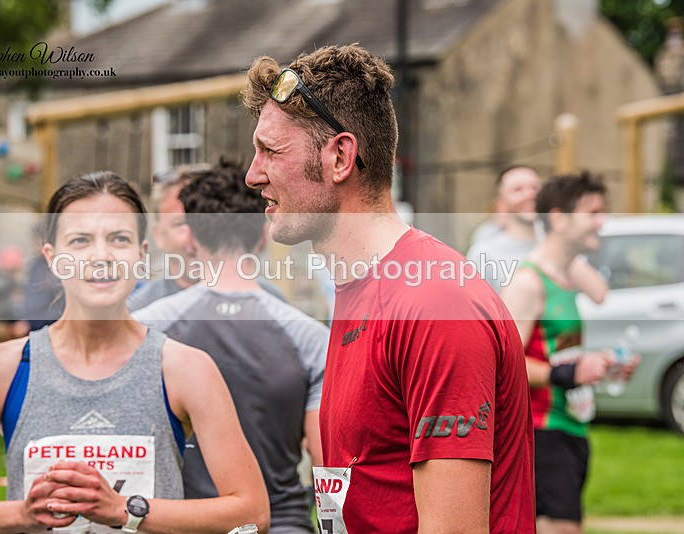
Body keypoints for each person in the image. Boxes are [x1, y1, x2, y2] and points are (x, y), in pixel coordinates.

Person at [242, 44, 535, 532]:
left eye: (271, 151)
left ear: (340, 156)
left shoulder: (434, 303)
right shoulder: (361, 287)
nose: (252, 175)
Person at [0, 171, 269, 534]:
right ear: (52, 257)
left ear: (141, 255)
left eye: (119, 239)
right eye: (80, 240)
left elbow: (252, 514)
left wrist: (124, 510)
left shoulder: (185, 368)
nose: (101, 256)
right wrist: (22, 514)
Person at [134, 158, 328, 534]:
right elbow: (326, 465)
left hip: (181, 525)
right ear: (261, 236)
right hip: (283, 524)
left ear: (191, 236)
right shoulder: (309, 337)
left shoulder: (147, 328)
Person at [500, 172, 639, 534]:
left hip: (572, 427)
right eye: (592, 212)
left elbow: (598, 295)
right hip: (540, 433)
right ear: (559, 219)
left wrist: (604, 367)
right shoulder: (528, 283)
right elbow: (504, 365)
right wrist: (568, 374)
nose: (601, 221)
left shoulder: (566, 275)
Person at [127, 167, 285, 312]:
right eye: (181, 224)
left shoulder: (270, 302)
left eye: (205, 222)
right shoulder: (139, 312)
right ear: (158, 235)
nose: (194, 237)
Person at [467, 165, 608, 301]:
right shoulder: (483, 253)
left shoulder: (555, 240)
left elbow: (599, 294)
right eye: (517, 190)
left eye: (535, 188)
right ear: (501, 205)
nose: (529, 195)